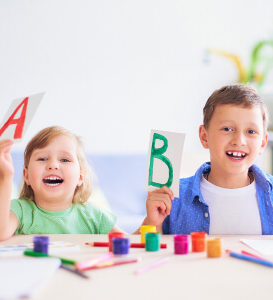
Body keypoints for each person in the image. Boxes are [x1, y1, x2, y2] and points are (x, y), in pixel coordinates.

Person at [142, 84, 273, 235]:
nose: (239, 141)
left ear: (262, 143)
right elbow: (143, 253)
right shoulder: (172, 198)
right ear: (204, 137)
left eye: (251, 131)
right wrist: (152, 222)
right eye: (227, 129)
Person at [0, 126, 123, 241]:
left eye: (65, 160)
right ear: (26, 176)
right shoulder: (18, 210)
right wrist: (5, 177)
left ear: (80, 177)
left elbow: (128, 244)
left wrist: (142, 227)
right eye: (42, 159)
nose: (53, 165)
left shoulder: (95, 216)